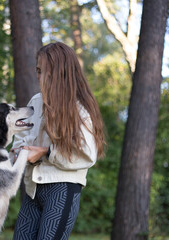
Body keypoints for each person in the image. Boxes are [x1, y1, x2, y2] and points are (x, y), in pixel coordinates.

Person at [11, 42, 106, 240]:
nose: (39, 76)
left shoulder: (80, 109)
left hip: (62, 190)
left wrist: (45, 152)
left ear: (61, 72)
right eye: (38, 70)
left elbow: (87, 155)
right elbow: (18, 141)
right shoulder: (35, 102)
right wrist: (21, 153)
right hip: (32, 190)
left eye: (45, 71)